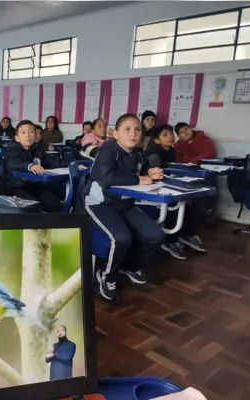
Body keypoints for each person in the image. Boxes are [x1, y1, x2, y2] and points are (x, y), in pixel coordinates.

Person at [78, 113, 165, 302]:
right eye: (127, 129)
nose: (133, 134)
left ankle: (129, 266)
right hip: (99, 203)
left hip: (124, 204)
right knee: (121, 238)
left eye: (137, 130)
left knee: (155, 235)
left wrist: (152, 171)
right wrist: (138, 179)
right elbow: (106, 178)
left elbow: (147, 169)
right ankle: (106, 276)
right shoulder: (107, 151)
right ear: (115, 134)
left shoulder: (138, 154)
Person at [144, 124, 207, 259]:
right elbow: (156, 177)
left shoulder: (171, 151)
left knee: (193, 201)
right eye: (165, 135)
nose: (171, 137)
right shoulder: (154, 154)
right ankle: (170, 241)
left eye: (171, 133)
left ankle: (186, 234)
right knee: (175, 205)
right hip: (153, 191)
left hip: (167, 187)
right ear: (157, 140)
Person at [1, 120, 67, 213]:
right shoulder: (11, 149)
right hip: (17, 187)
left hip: (35, 186)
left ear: (35, 136)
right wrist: (29, 166)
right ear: (17, 138)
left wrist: (72, 164)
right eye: (23, 132)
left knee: (56, 205)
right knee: (33, 207)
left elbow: (52, 161)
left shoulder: (38, 149)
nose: (28, 135)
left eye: (31, 132)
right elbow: (14, 163)